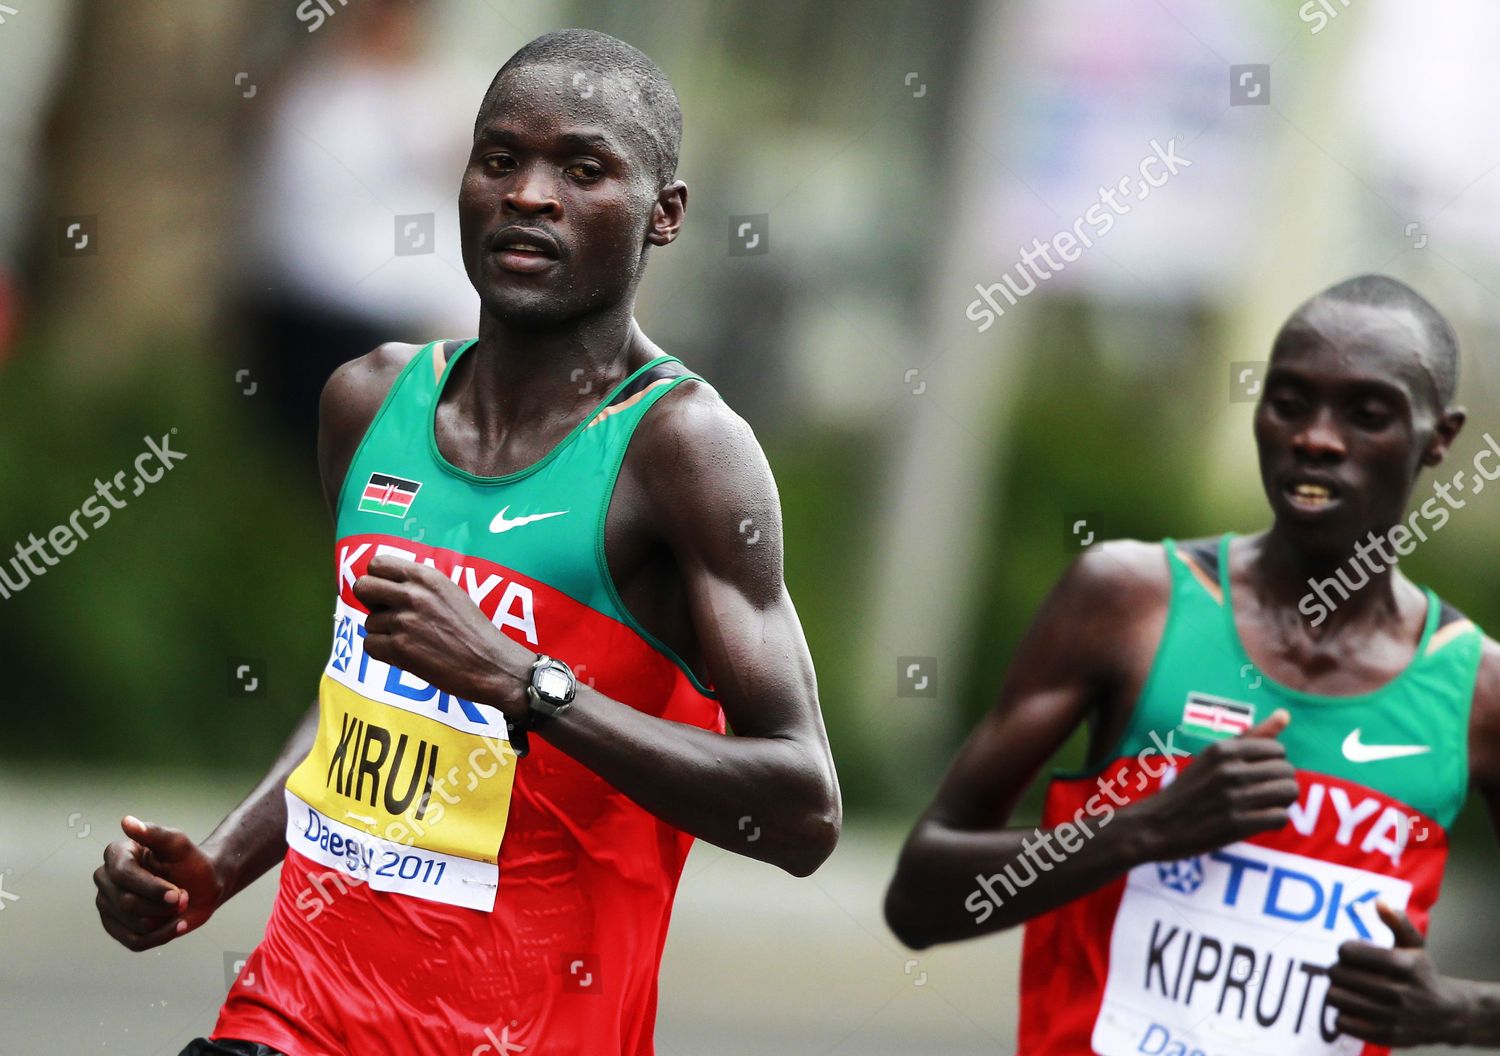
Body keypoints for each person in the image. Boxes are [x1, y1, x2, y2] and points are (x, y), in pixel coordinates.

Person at [93, 29, 841, 1056]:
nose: (530, 194)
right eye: (501, 159)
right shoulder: (369, 403)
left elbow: (802, 810)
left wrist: (522, 682)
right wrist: (220, 863)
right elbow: (357, 687)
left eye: (584, 169)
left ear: (664, 215)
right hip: (293, 1013)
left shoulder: (682, 453)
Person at [883, 275, 1500, 1053]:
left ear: (1439, 438)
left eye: (1366, 414)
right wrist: (1140, 830)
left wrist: (1460, 1013)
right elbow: (918, 902)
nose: (1315, 437)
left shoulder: (1478, 691)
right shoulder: (1126, 604)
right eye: (1286, 401)